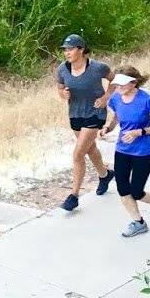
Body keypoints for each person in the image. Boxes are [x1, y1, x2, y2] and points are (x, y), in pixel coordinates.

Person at [99, 66, 150, 238]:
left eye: (123, 84)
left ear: (133, 83)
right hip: (122, 149)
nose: (119, 87)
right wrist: (107, 128)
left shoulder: (146, 100)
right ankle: (138, 222)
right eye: (117, 84)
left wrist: (138, 132)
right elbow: (116, 117)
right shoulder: (116, 98)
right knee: (123, 189)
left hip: (144, 151)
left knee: (137, 191)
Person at [54, 34, 113, 212]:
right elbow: (59, 87)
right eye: (65, 50)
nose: (67, 53)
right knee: (90, 148)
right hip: (75, 114)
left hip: (95, 113)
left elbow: (115, 80)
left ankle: (73, 196)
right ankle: (105, 175)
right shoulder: (62, 69)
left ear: (81, 49)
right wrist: (63, 94)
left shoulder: (97, 67)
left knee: (78, 154)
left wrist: (105, 97)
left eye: (70, 49)